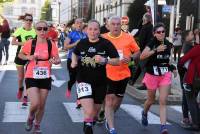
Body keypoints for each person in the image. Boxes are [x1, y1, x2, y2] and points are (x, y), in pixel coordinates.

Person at [71, 19, 119, 134]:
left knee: (95, 113)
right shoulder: (82, 43)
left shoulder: (106, 43)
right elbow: (74, 53)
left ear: (99, 31)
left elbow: (117, 61)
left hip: (100, 82)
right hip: (83, 80)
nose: (93, 32)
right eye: (90, 29)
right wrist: (74, 62)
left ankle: (88, 123)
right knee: (89, 110)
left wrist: (105, 60)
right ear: (86, 30)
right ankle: (88, 126)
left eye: (95, 29)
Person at [18, 20, 61, 133]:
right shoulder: (30, 43)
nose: (42, 31)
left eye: (45, 29)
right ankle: (30, 117)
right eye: (39, 28)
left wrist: (55, 61)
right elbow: (20, 55)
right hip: (31, 75)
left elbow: (58, 59)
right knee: (35, 103)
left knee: (41, 105)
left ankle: (37, 125)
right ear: (35, 30)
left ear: (48, 30)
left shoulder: (51, 44)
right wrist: (29, 57)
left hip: (45, 76)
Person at [102, 16, 140, 134]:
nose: (116, 26)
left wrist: (131, 58)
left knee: (117, 103)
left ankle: (108, 115)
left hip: (123, 74)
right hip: (106, 74)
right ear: (108, 26)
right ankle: (111, 127)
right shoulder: (103, 38)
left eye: (118, 24)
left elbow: (138, 51)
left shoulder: (128, 38)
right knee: (109, 100)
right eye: (113, 24)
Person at [140, 23, 177, 134]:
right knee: (151, 100)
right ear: (154, 34)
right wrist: (156, 50)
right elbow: (142, 56)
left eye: (163, 31)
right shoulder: (152, 43)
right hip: (152, 75)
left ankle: (163, 127)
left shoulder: (169, 44)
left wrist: (172, 67)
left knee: (162, 101)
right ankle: (145, 112)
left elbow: (167, 60)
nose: (161, 34)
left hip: (165, 74)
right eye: (158, 32)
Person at [11, 13, 36, 106]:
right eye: (27, 20)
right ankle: (20, 88)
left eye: (30, 20)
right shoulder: (19, 30)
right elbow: (13, 42)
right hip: (21, 55)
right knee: (21, 77)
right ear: (24, 21)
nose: (29, 22)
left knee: (29, 77)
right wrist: (25, 44)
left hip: (31, 56)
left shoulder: (35, 31)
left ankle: (25, 96)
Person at [64, 18, 87, 108]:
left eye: (81, 23)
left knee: (80, 80)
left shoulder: (85, 35)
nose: (79, 24)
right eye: (77, 23)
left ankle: (78, 99)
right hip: (71, 59)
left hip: (82, 60)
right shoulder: (71, 34)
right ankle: (69, 87)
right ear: (74, 24)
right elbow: (66, 47)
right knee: (73, 79)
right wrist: (76, 44)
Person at [128, 13, 153, 90]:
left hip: (144, 49)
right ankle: (132, 81)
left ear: (145, 19)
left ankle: (145, 84)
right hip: (149, 48)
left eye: (143, 18)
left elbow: (142, 40)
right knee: (140, 66)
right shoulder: (150, 26)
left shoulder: (145, 28)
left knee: (143, 67)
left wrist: (140, 49)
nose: (142, 20)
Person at [179, 44, 200, 131]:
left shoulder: (198, 48)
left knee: (191, 100)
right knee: (194, 100)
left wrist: (181, 65)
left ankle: (196, 123)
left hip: (193, 78)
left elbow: (184, 59)